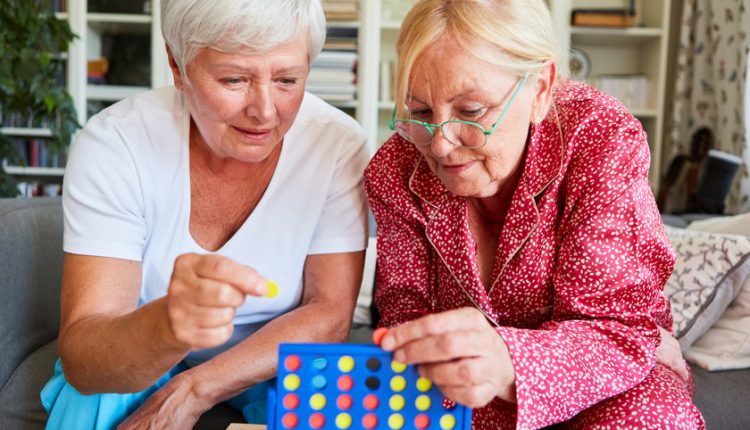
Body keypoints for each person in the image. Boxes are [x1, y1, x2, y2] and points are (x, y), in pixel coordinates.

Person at [364, 0, 705, 428]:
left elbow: (618, 331)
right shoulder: (395, 169)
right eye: (420, 112)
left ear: (541, 88)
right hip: (460, 389)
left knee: (653, 418)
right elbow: (406, 326)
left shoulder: (600, 137)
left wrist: (510, 359)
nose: (439, 145)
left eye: (470, 111)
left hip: (601, 385)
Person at [41, 0, 369, 428]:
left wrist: (195, 389)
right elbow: (86, 356)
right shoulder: (116, 144)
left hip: (270, 358)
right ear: (177, 66)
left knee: (332, 396)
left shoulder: (337, 145)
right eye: (234, 79)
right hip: (145, 344)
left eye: (288, 79)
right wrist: (169, 326)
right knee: (93, 396)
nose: (266, 111)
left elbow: (328, 314)